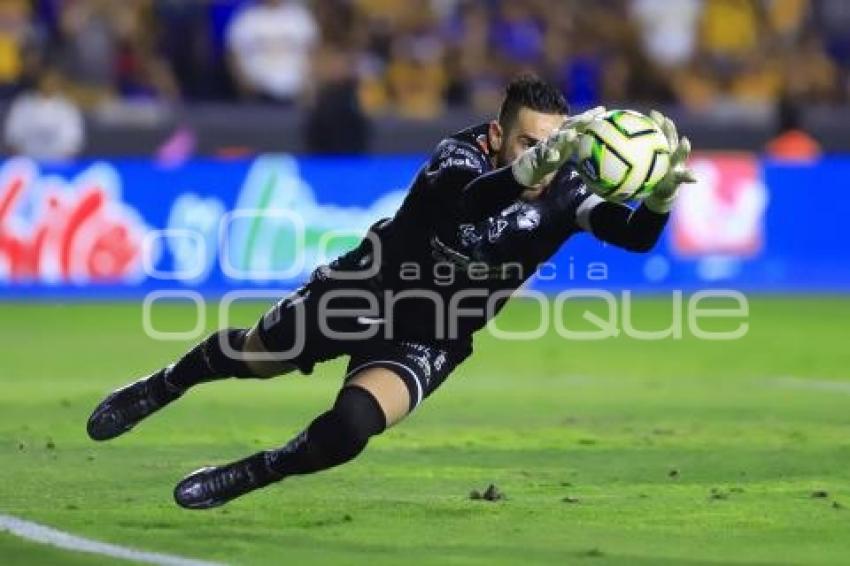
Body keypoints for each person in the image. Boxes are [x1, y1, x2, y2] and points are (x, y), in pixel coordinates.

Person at [86, 76, 695, 510]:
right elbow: (471, 201)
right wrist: (532, 171)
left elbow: (635, 237)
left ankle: (254, 472)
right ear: (497, 136)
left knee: (352, 424)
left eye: (554, 144)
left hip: (434, 332)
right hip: (366, 288)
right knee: (252, 355)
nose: (544, 155)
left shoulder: (567, 192)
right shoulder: (457, 156)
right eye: (529, 144)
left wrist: (663, 195)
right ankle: (165, 384)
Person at [3, 66, 85, 161]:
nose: (50, 84)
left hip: (59, 165)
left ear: (60, 83)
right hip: (27, 164)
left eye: (54, 81)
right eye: (46, 80)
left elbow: (73, 142)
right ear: (39, 81)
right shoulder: (23, 104)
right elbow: (13, 137)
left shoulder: (68, 107)